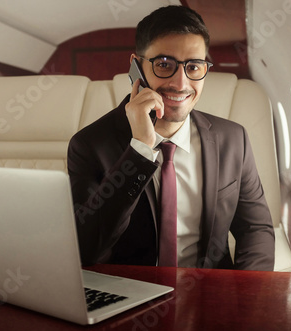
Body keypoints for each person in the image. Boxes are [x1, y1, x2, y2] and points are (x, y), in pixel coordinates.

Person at [67, 5, 275, 271]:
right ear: (136, 66)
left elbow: (255, 229)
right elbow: (88, 250)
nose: (180, 83)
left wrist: (245, 298)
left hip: (209, 294)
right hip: (130, 296)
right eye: (164, 65)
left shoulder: (234, 140)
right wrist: (139, 150)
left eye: (194, 66)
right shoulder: (89, 145)